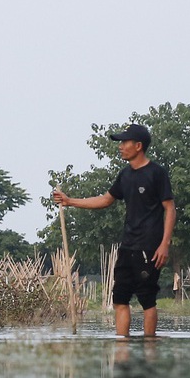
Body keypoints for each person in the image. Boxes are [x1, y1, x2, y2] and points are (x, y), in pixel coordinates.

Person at [51, 123, 175, 337]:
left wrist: (164, 244)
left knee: (147, 300)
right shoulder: (125, 175)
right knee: (119, 299)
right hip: (127, 246)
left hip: (149, 247)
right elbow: (106, 199)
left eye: (124, 142)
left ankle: (150, 347)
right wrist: (70, 201)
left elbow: (170, 208)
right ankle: (122, 347)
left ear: (138, 146)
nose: (121, 147)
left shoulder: (157, 173)